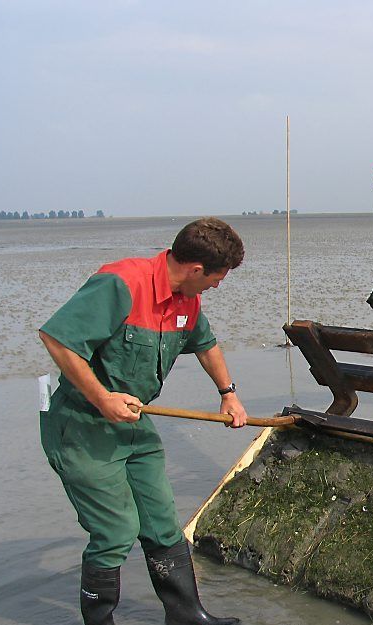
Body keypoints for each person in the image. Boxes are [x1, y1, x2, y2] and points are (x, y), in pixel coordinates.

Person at [39, 218, 247, 625]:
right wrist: (101, 398)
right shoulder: (121, 284)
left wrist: (229, 394)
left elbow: (205, 344)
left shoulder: (187, 297)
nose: (216, 287)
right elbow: (58, 340)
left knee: (162, 524)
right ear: (195, 269)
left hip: (134, 424)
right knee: (115, 532)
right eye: (216, 279)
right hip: (82, 426)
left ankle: (187, 616)